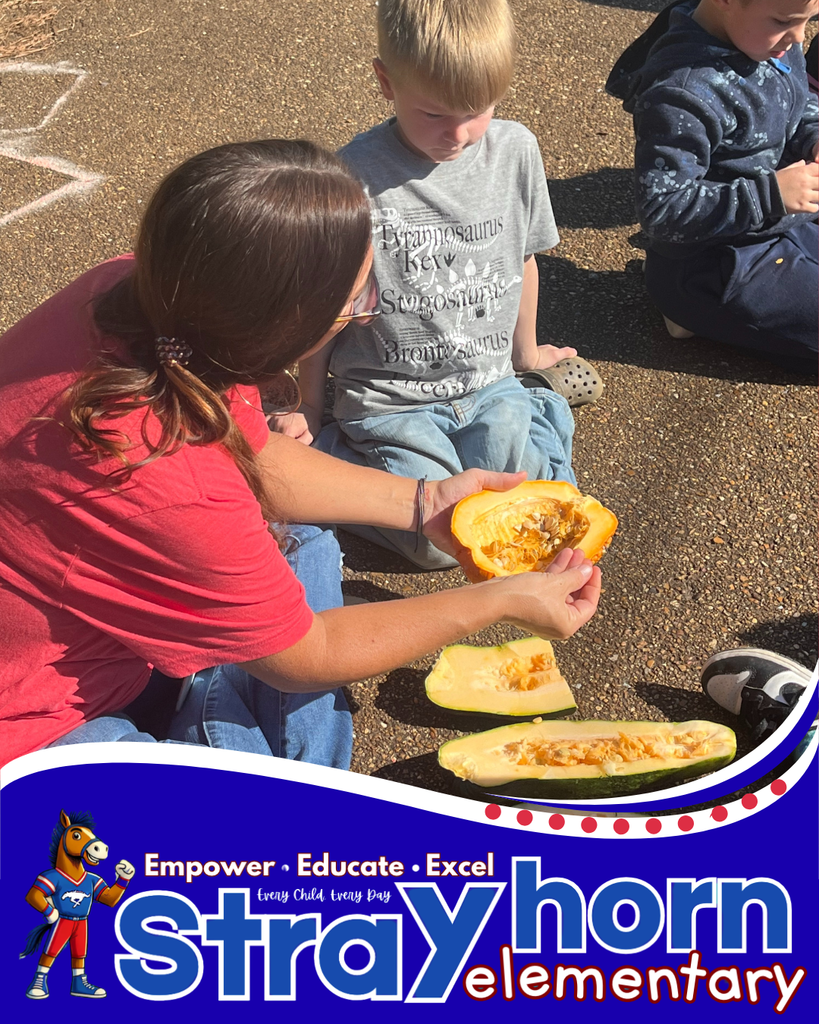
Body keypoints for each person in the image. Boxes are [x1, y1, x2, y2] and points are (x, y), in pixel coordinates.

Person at [0, 139, 602, 772]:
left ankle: (234, 718)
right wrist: (500, 601)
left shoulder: (145, 293)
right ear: (279, 331)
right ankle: (292, 789)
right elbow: (304, 656)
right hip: (29, 727)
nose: (366, 314)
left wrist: (425, 502)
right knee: (256, 834)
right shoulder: (167, 477)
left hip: (79, 617)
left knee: (302, 541)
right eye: (356, 300)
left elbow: (249, 452)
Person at [269, 0, 603, 571]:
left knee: (515, 509)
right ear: (384, 82)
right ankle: (332, 463)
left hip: (488, 382)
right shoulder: (352, 179)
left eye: (476, 111)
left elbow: (522, 259)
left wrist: (526, 355)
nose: (458, 134)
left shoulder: (515, 150)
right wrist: (311, 407)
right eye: (432, 114)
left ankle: (536, 401)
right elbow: (331, 307)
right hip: (387, 399)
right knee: (440, 545)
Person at [606, 0, 819, 373]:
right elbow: (662, 208)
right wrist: (770, 195)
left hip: (780, 221)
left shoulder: (768, 39)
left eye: (809, 21)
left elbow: (795, 102)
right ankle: (686, 306)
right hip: (716, 262)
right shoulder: (683, 91)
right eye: (785, 21)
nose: (799, 36)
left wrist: (814, 136)